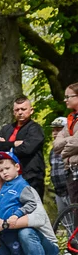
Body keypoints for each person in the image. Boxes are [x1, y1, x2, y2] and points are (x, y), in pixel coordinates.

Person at [0, 96, 46, 198]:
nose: (20, 112)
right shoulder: (7, 129)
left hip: (30, 176)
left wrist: (3, 146)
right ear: (13, 112)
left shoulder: (35, 129)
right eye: (17, 110)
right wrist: (13, 144)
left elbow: (27, 149)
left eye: (23, 109)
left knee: (31, 208)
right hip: (8, 178)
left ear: (31, 110)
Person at [52, 83, 78, 223]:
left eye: (68, 96)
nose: (65, 99)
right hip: (71, 171)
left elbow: (76, 142)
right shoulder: (70, 119)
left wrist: (64, 152)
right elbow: (56, 145)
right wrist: (69, 141)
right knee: (75, 212)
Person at [49, 117, 72, 224]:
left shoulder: (71, 147)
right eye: (53, 130)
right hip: (58, 191)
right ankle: (70, 240)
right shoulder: (52, 151)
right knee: (65, 222)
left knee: (75, 219)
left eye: (58, 130)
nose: (55, 133)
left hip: (70, 189)